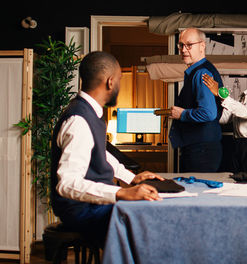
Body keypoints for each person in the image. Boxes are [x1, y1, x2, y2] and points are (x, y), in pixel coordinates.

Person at [50, 51, 164, 244]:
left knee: (151, 211)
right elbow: (66, 183)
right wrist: (121, 193)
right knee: (151, 220)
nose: (119, 84)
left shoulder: (90, 112)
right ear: (110, 82)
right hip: (82, 210)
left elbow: (100, 153)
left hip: (89, 206)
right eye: (120, 79)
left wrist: (131, 178)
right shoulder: (79, 120)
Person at [168, 27, 224, 172]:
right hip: (201, 148)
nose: (184, 50)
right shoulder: (197, 71)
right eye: (181, 45)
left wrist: (182, 114)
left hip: (201, 151)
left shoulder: (201, 73)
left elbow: (208, 113)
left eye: (189, 45)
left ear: (202, 46)